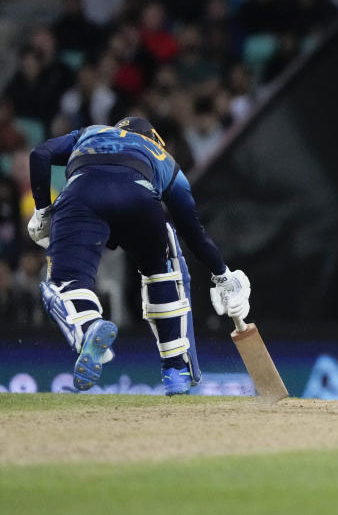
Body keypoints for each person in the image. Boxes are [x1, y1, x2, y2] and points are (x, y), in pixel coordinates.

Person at [27, 116, 250, 395]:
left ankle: (88, 327)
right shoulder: (162, 156)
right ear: (153, 138)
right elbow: (194, 233)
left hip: (82, 193)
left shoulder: (90, 132)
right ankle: (176, 369)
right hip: (139, 198)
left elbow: (40, 154)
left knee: (64, 283)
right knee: (163, 270)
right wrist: (223, 274)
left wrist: (43, 211)